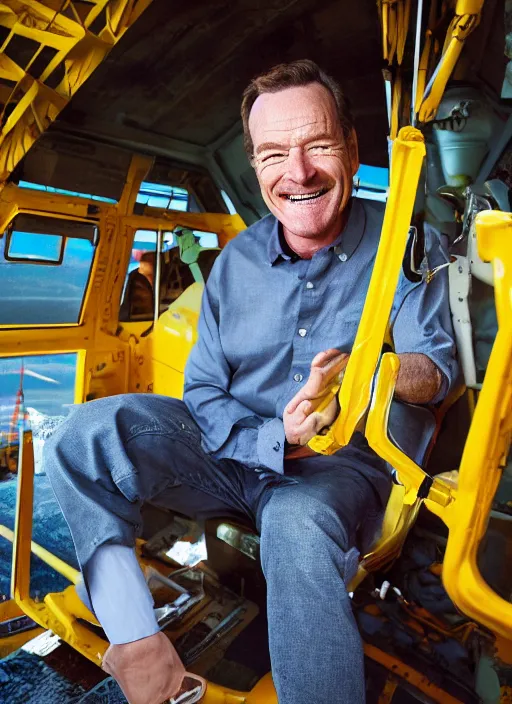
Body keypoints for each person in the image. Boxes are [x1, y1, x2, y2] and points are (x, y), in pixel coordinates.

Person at [44, 60, 457, 704]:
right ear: (256, 164)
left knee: (294, 524)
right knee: (83, 434)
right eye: (273, 154)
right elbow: (203, 392)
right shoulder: (234, 262)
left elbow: (434, 374)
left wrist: (364, 372)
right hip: (236, 456)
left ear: (350, 149)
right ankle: (139, 646)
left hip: (336, 470)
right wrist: (272, 436)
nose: (298, 173)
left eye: (318, 145)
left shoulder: (407, 243)